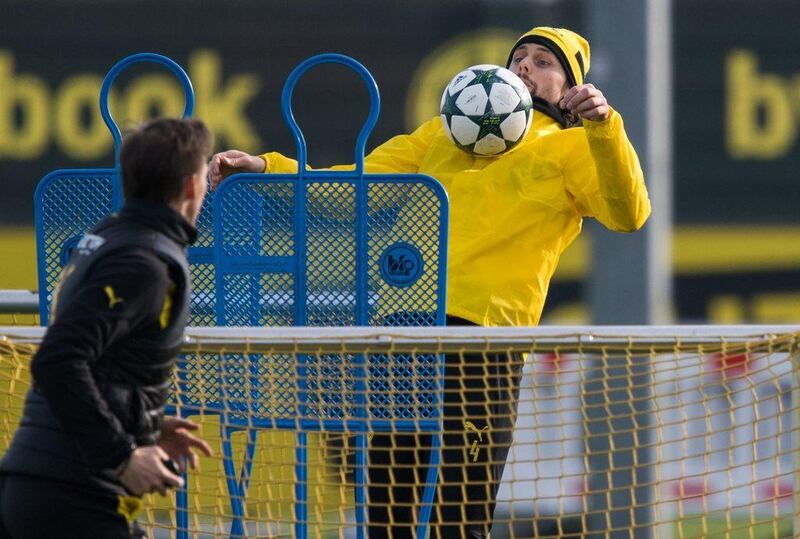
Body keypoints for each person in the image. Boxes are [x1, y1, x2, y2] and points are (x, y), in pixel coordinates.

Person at [207, 26, 651, 538]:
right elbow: (353, 187)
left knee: (458, 517)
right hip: (403, 333)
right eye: (519, 56)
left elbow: (630, 213)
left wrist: (605, 127)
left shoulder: (574, 148)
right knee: (386, 513)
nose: (525, 65)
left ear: (571, 89)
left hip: (484, 344)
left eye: (545, 61)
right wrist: (268, 167)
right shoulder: (441, 133)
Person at [0, 118, 215, 539]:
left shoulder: (114, 237)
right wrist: (122, 455)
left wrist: (144, 426)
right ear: (191, 186)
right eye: (207, 174)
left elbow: (102, 362)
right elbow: (58, 361)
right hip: (68, 496)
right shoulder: (143, 262)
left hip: (44, 489)